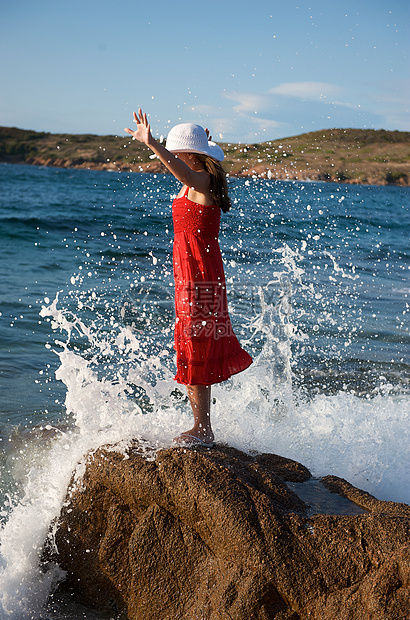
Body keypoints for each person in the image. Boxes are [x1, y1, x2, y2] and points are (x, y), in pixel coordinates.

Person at [125, 109, 252, 447]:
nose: (175, 155)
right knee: (191, 341)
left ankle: (203, 428)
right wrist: (199, 145)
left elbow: (179, 169)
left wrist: (152, 144)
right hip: (188, 271)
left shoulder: (203, 182)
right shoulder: (192, 182)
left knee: (196, 342)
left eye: (179, 150)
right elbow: (182, 170)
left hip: (200, 272)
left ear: (189, 155)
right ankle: (201, 425)